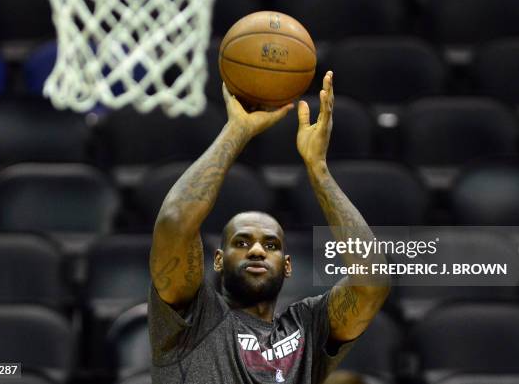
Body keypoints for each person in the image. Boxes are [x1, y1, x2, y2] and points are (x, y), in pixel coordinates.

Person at [148, 71, 390, 383]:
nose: (258, 250)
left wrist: (318, 171)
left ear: (287, 266)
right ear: (219, 259)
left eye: (272, 245)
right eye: (242, 242)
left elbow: (373, 281)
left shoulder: (308, 326)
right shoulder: (193, 318)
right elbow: (175, 221)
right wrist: (236, 131)